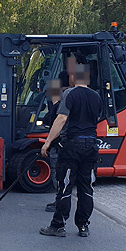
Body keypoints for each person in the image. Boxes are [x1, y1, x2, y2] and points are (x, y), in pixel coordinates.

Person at [39, 63, 102, 237]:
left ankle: (58, 225)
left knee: (65, 186)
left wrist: (48, 142)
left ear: (74, 77)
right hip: (91, 146)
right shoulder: (96, 96)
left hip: (71, 146)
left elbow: (60, 119)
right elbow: (95, 119)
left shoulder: (69, 93)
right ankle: (83, 226)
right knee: (86, 187)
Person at [44, 71, 70, 212]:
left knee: (58, 172)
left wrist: (48, 142)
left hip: (59, 142)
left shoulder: (62, 98)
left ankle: (60, 201)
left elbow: (55, 118)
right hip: (72, 142)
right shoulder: (78, 94)